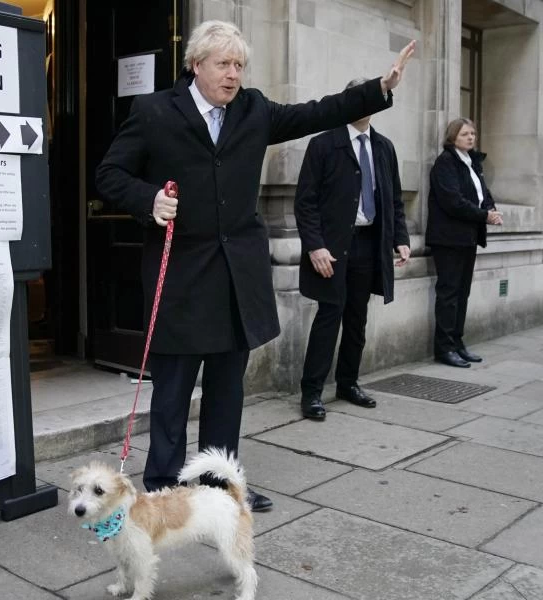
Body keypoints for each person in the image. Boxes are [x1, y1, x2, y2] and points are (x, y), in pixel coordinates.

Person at [96, 20, 415, 511]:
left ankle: (219, 485)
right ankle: (162, 487)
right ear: (196, 64)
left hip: (237, 277)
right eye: (223, 64)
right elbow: (109, 174)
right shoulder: (154, 110)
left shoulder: (254, 108)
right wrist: (149, 199)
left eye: (239, 65)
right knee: (174, 393)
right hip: (180, 275)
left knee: (227, 392)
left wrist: (378, 89)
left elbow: (318, 112)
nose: (232, 75)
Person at [294, 79, 411, 420]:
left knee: (357, 319)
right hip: (332, 249)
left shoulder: (384, 147)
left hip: (369, 244)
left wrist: (399, 238)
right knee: (329, 317)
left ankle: (348, 383)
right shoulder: (323, 144)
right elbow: (305, 203)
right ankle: (312, 392)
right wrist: (315, 246)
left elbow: (394, 200)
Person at [426, 118, 502, 368]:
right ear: (453, 137)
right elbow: (453, 201)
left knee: (462, 293)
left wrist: (491, 209)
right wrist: (484, 215)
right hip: (448, 238)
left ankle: (457, 343)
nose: (471, 137)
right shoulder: (445, 163)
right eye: (465, 134)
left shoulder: (473, 162)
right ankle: (444, 348)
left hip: (467, 237)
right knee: (448, 293)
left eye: (473, 133)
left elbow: (483, 193)